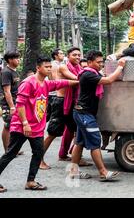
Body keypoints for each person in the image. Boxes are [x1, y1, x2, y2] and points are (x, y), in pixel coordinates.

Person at [0, 56, 78, 193]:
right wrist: (25, 123)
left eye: (50, 67)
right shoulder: (28, 83)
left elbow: (63, 83)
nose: (49, 69)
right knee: (10, 153)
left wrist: (79, 81)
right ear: (38, 68)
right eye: (46, 67)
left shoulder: (47, 84)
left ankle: (30, 181)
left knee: (38, 153)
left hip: (36, 128)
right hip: (22, 126)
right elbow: (20, 104)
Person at [69, 51, 126, 181]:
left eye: (102, 62)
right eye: (98, 62)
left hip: (82, 113)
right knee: (95, 143)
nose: (101, 64)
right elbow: (109, 80)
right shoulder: (88, 74)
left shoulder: (92, 73)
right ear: (89, 62)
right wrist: (120, 66)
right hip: (84, 115)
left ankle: (73, 172)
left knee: (80, 142)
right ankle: (103, 172)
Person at [40, 47, 87, 169]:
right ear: (68, 56)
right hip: (61, 102)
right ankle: (39, 159)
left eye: (79, 55)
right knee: (53, 133)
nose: (77, 57)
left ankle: (72, 156)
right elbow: (78, 78)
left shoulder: (78, 68)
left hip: (72, 103)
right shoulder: (63, 67)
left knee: (75, 130)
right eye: (74, 55)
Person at [1, 52, 21, 154]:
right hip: (8, 104)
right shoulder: (6, 72)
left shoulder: (14, 71)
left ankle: (12, 149)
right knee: (7, 126)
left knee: (13, 126)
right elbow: (6, 91)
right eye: (16, 58)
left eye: (19, 58)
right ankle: (7, 151)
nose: (19, 60)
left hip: (15, 102)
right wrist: (12, 107)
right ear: (9, 60)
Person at [46, 48, 65, 123]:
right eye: (61, 53)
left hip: (54, 94)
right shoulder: (54, 65)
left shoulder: (59, 65)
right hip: (54, 94)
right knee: (53, 117)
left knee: (49, 116)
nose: (63, 55)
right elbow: (55, 80)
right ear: (55, 56)